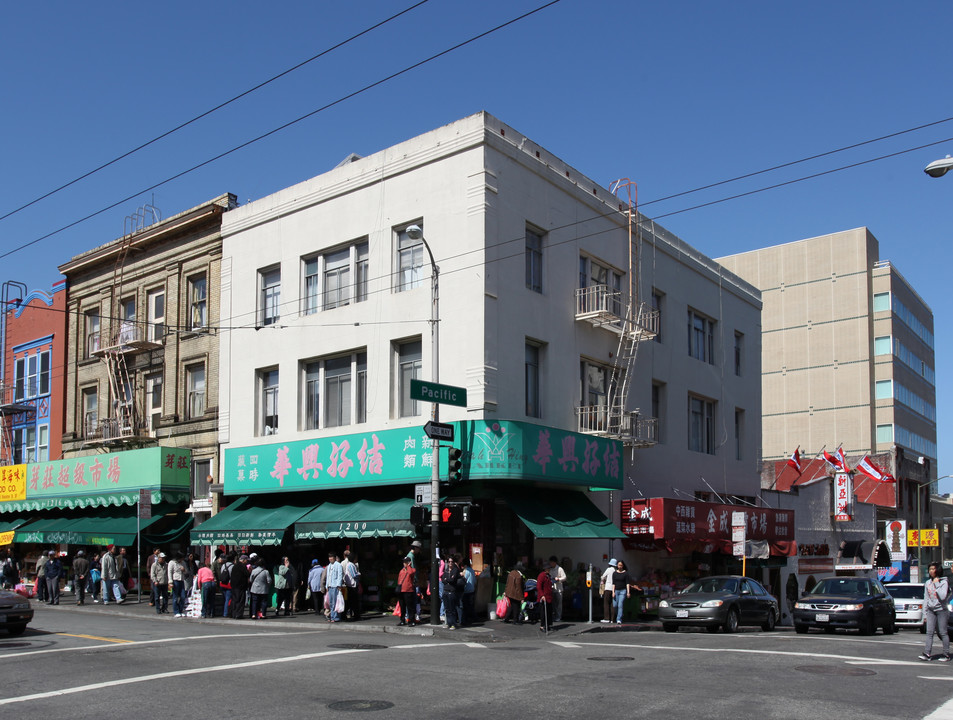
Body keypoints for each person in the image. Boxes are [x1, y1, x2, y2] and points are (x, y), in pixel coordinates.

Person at [920, 562, 951, 661]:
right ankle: (927, 653)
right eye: (930, 569)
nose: (931, 571)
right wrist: (924, 613)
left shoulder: (943, 582)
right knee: (929, 632)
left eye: (933, 569)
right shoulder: (928, 583)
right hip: (931, 610)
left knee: (943, 632)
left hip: (942, 610)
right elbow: (926, 598)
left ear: (938, 570)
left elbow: (942, 596)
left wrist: (937, 584)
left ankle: (946, 654)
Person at [610, 560, 640, 625]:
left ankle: (619, 619)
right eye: (618, 565)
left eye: (621, 565)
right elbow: (613, 583)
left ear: (623, 566)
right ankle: (620, 613)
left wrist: (628, 592)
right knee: (615, 605)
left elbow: (627, 583)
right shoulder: (614, 573)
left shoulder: (625, 574)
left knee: (620, 604)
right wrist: (613, 592)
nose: (620, 566)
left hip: (623, 590)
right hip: (616, 590)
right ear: (617, 565)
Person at [441, 554, 462, 630]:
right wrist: (447, 579)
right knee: (447, 608)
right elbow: (443, 579)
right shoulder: (446, 570)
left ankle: (453, 623)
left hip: (452, 591)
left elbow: (452, 580)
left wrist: (448, 579)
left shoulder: (455, 570)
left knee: (452, 608)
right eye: (449, 561)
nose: (450, 563)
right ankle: (448, 623)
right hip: (445, 591)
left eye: (451, 562)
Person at [342, 549, 361, 621]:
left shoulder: (350, 565)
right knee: (352, 601)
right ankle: (355, 616)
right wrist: (359, 574)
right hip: (352, 586)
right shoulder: (351, 565)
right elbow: (354, 575)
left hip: (350, 585)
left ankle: (347, 615)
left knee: (350, 602)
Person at [397, 556, 417, 626]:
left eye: (405, 562)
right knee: (402, 607)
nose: (404, 563)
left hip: (408, 591)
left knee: (410, 607)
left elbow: (411, 573)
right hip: (401, 591)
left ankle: (411, 621)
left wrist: (409, 566)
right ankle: (402, 620)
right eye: (403, 562)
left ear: (409, 563)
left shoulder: (412, 570)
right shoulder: (401, 571)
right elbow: (399, 580)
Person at [168, 551, 189, 617]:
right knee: (175, 597)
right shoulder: (172, 562)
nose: (182, 559)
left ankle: (180, 610)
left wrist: (184, 570)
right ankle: (176, 611)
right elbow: (170, 572)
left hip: (181, 580)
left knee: (183, 596)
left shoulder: (183, 563)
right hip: (175, 580)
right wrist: (170, 582)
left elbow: (187, 572)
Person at [229, 555, 250, 619]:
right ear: (243, 560)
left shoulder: (234, 566)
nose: (247, 562)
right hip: (241, 586)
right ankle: (238, 614)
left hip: (234, 586)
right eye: (246, 560)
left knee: (234, 600)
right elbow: (247, 574)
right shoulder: (243, 566)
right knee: (240, 601)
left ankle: (233, 614)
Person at [326, 552, 343, 622]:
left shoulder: (338, 565)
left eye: (331, 557)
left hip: (335, 586)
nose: (330, 559)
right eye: (329, 557)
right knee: (331, 603)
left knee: (335, 602)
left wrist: (339, 585)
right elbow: (327, 576)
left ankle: (335, 617)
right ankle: (332, 616)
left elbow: (340, 575)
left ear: (334, 558)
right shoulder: (329, 566)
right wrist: (327, 586)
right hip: (330, 586)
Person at [548, 556, 567, 622]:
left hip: (559, 589)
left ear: (554, 562)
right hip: (552, 588)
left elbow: (564, 577)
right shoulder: (550, 569)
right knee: (553, 603)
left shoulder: (560, 569)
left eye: (551, 562)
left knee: (559, 603)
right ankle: (554, 615)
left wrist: (559, 579)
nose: (550, 563)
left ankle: (558, 616)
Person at [537, 564, 554, 630]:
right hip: (543, 597)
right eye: (548, 569)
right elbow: (539, 586)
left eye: (549, 569)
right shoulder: (541, 575)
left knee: (549, 612)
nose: (549, 570)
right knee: (543, 612)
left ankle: (548, 625)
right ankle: (542, 626)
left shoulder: (549, 576)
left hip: (549, 597)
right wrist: (542, 595)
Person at [600, 559, 617, 623]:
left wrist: (603, 579)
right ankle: (612, 619)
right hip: (614, 588)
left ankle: (606, 618)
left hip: (608, 588)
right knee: (612, 604)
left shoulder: (608, 569)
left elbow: (603, 577)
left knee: (606, 603)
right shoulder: (615, 571)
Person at [219, 552, 236, 617]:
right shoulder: (232, 566)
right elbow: (232, 576)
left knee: (224, 599)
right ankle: (226, 613)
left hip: (222, 583)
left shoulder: (223, 565)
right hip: (228, 584)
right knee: (228, 599)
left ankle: (223, 611)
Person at [461, 558, 476, 626]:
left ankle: (466, 619)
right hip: (472, 589)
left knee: (466, 605)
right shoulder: (472, 570)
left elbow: (463, 580)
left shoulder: (466, 571)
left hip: (467, 590)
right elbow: (475, 581)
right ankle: (473, 617)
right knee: (471, 605)